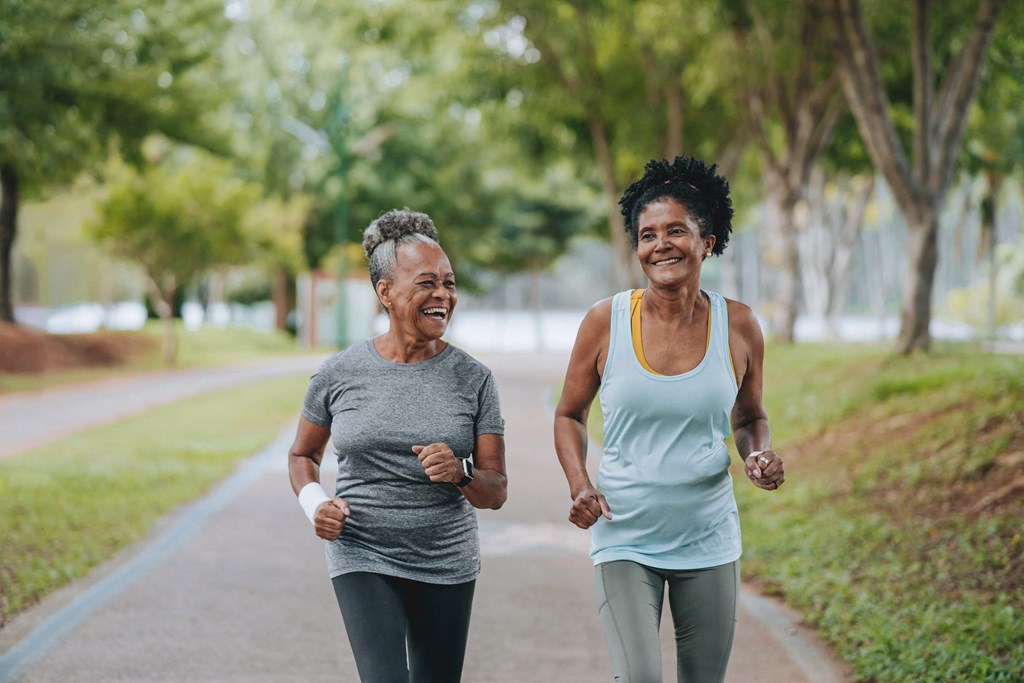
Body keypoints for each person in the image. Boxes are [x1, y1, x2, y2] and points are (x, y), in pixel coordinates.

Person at [553, 155, 785, 683]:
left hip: (707, 535)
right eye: (647, 234)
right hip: (625, 534)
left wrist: (757, 455)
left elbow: (749, 417)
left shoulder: (740, 324)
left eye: (676, 231)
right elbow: (569, 414)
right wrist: (579, 484)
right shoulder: (604, 321)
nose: (661, 245)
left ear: (707, 241)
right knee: (639, 677)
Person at [288, 209, 507, 683]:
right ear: (385, 291)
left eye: (449, 283)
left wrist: (461, 472)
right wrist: (315, 504)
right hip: (362, 548)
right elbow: (302, 455)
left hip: (444, 557)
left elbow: (496, 490)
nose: (443, 295)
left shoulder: (474, 379)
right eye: (426, 283)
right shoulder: (338, 374)